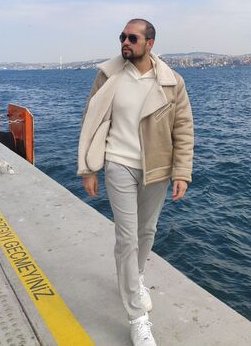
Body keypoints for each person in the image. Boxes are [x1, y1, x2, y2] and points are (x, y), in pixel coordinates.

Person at [78, 19, 194, 346]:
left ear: (150, 43)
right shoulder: (108, 75)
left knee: (146, 231)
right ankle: (137, 318)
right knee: (126, 237)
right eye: (122, 37)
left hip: (156, 168)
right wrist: (89, 168)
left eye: (132, 37)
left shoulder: (172, 82)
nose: (125, 42)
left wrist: (182, 172)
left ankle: (136, 276)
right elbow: (91, 119)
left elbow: (183, 128)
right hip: (118, 164)